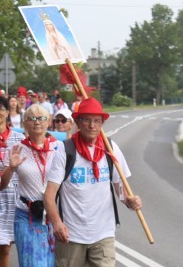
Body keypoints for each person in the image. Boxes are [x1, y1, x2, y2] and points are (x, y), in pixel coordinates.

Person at [43, 98, 142, 267]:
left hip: (103, 235)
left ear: (102, 123)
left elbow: (121, 189)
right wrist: (57, 224)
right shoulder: (65, 150)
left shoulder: (110, 149)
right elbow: (48, 196)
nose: (92, 125)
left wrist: (130, 201)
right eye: (87, 120)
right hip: (71, 236)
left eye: (97, 121)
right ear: (78, 122)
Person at [1, 104, 62, 266]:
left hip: (53, 216)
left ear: (48, 121)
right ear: (24, 123)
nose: (37, 122)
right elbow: (2, 185)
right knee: (32, 263)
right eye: (32, 118)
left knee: (53, 263)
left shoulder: (58, 148)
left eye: (41, 118)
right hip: (27, 216)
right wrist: (11, 167)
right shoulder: (17, 148)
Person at [0, 95, 25, 266]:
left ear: (8, 112)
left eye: (0, 109)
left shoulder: (19, 139)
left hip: (13, 198)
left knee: (6, 247)